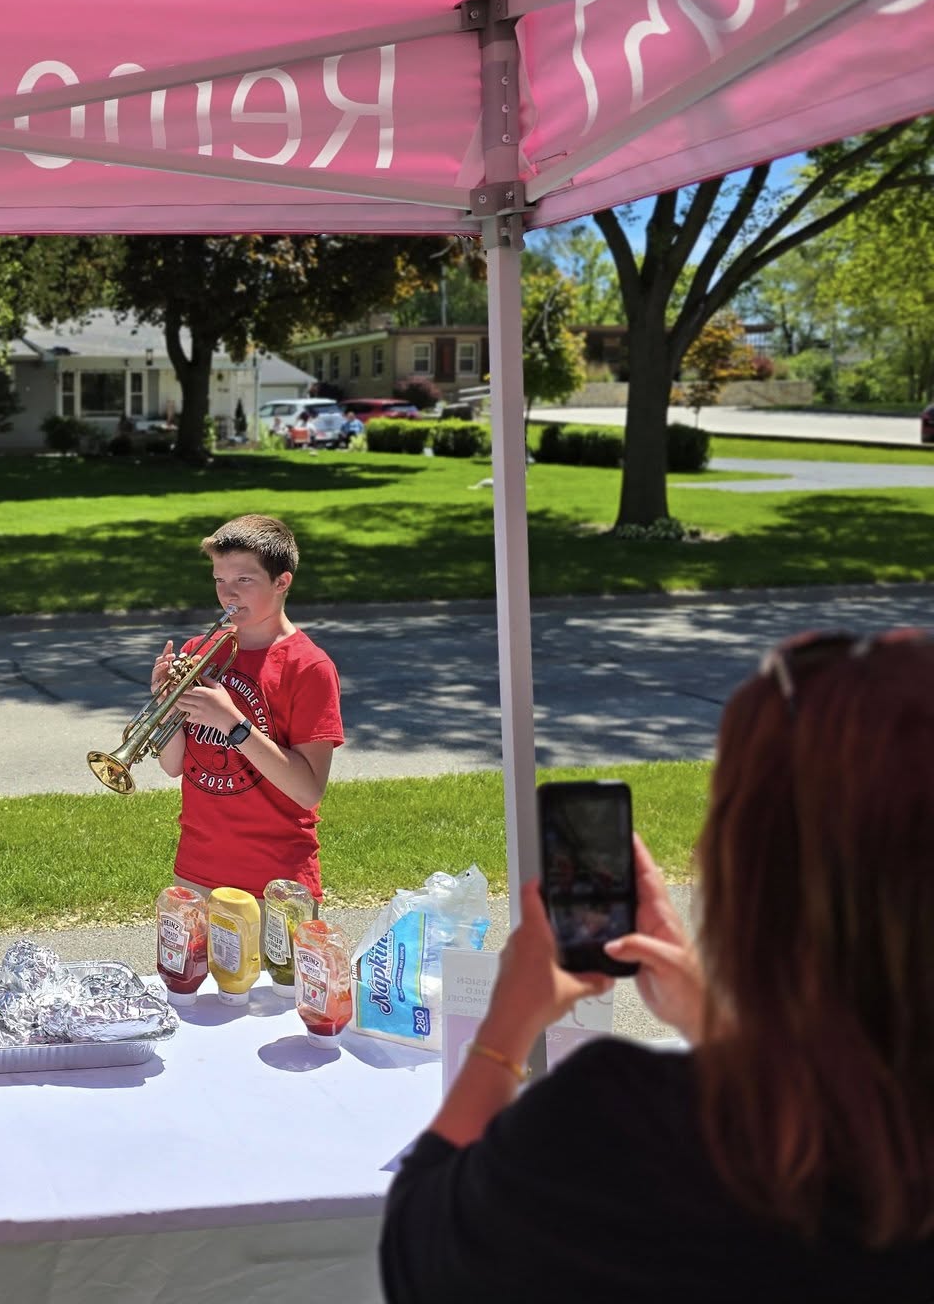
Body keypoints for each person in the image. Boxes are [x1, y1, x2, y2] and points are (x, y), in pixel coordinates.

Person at [380, 629, 934, 1301]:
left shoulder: (621, 1131)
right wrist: (713, 1023)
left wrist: (504, 1031)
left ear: (750, 876)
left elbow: (420, 1250)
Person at [152, 515, 344, 902]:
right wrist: (167, 707)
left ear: (281, 582)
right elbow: (173, 765)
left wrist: (232, 722)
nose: (228, 594)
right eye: (220, 581)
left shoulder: (309, 667)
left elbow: (308, 791)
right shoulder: (199, 651)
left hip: (276, 882)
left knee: (277, 967)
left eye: (244, 580)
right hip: (197, 870)